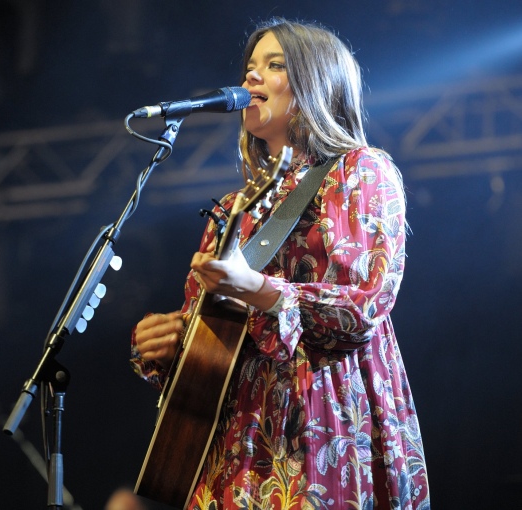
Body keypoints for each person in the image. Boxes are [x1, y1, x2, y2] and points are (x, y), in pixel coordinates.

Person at [130, 18, 430, 510]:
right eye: (249, 67)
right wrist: (169, 342)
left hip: (320, 424)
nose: (251, 77)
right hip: (232, 448)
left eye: (274, 65)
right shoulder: (232, 210)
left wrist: (262, 291)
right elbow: (212, 339)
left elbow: (361, 308)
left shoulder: (360, 171)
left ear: (317, 81)